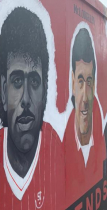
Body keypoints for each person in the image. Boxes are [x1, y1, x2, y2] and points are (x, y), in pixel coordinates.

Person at [0, 7, 65, 209]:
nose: (26, 99)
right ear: (4, 91)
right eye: (17, 81)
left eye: (34, 82)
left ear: (45, 91)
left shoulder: (54, 147)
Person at [64, 26, 106, 206]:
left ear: (95, 85)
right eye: (81, 81)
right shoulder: (61, 143)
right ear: (72, 82)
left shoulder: (102, 131)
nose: (85, 95)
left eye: (89, 81)